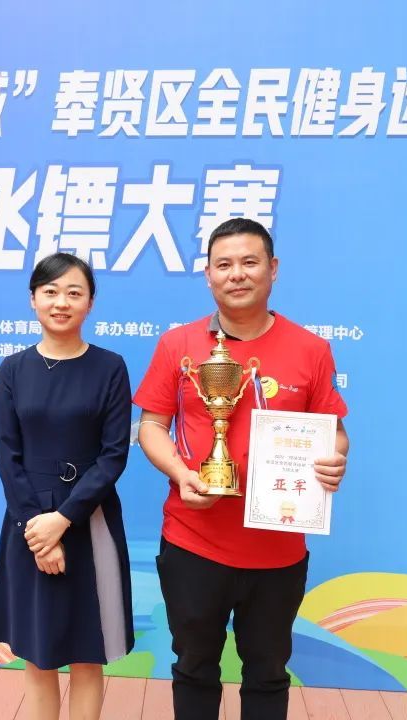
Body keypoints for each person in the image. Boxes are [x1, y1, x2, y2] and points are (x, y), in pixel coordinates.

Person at [134, 218, 350, 720]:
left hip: (277, 551)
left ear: (273, 269)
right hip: (193, 541)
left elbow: (334, 430)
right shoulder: (178, 345)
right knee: (194, 667)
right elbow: (151, 426)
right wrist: (182, 473)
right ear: (208, 275)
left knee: (268, 674)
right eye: (224, 264)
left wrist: (335, 458)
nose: (237, 274)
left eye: (249, 262)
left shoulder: (311, 349)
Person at [0, 252, 135, 720]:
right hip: (28, 524)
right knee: (38, 655)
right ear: (33, 299)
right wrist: (38, 529)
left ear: (90, 302)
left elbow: (113, 455)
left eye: (74, 292)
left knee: (88, 655)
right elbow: (8, 456)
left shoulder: (110, 367)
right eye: (50, 291)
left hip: (90, 518)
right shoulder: (13, 369)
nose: (61, 302)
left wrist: (64, 519)